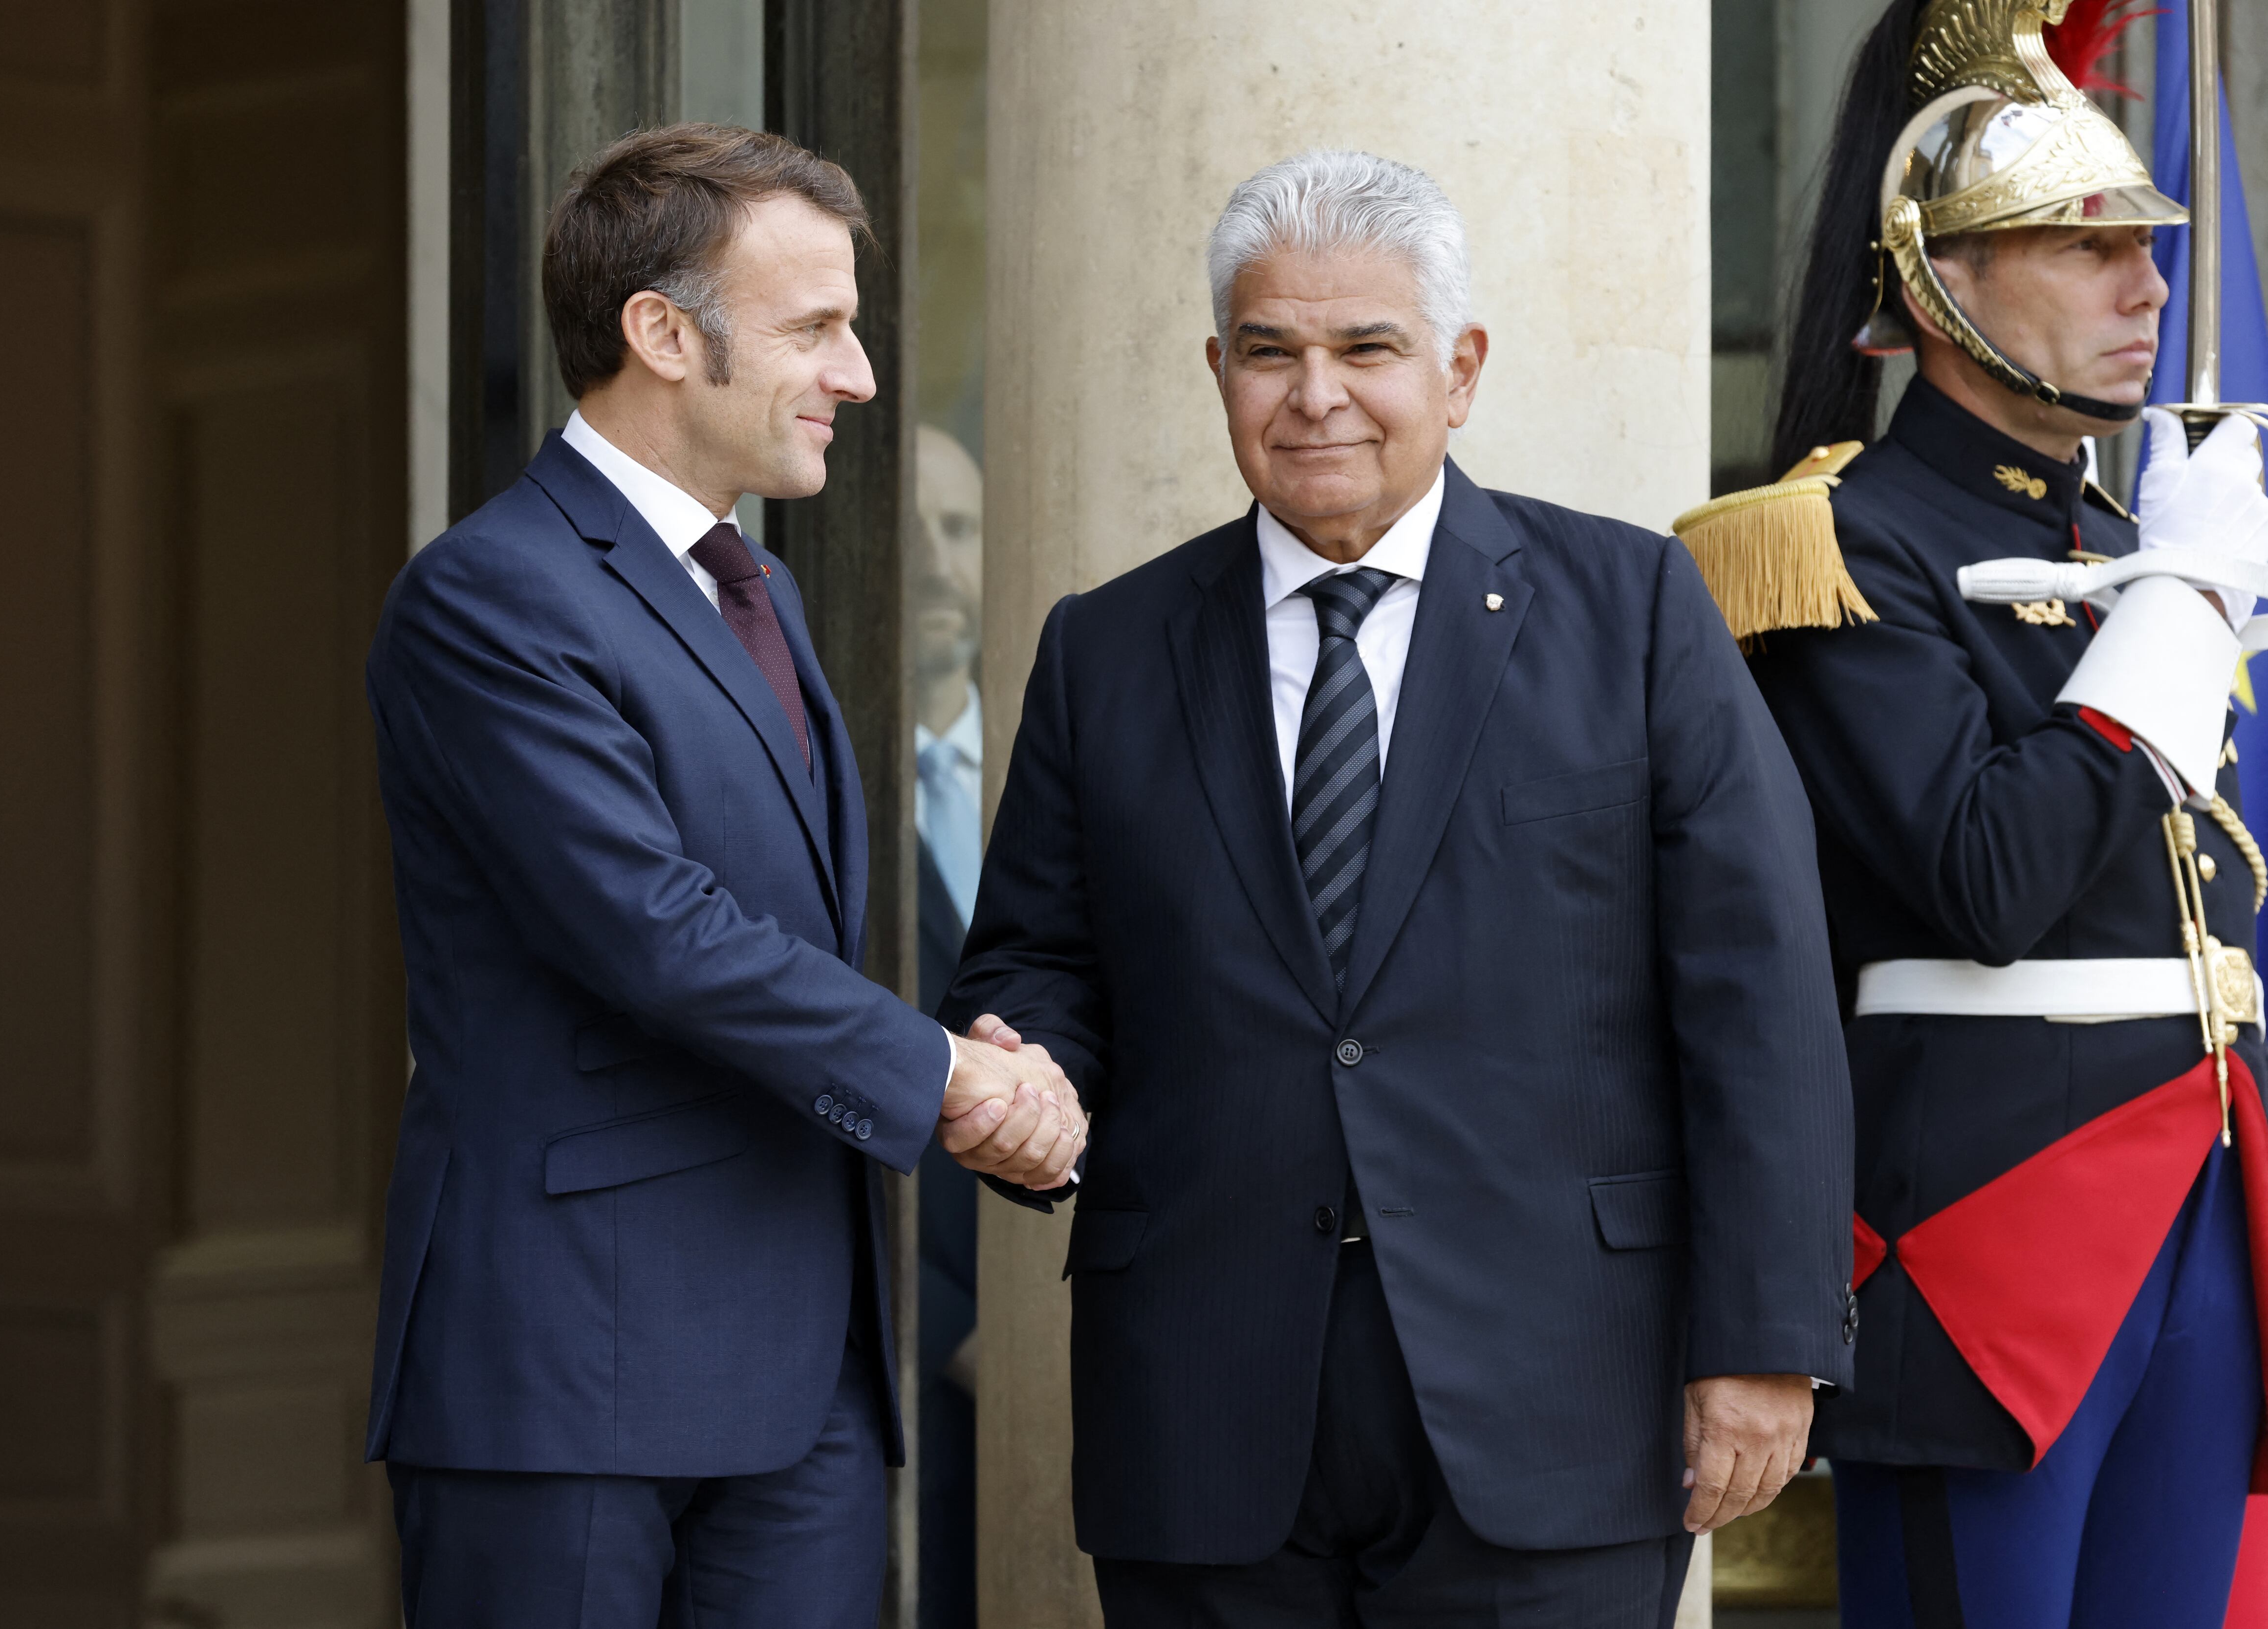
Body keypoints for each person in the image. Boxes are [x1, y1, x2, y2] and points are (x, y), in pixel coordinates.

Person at [941, 148, 1856, 1626]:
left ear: (1461, 368)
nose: (1316, 395)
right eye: (1269, 351)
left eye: (1367, 347)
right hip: (1206, 1397)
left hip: (1559, 1391)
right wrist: (1018, 1064)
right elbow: (1038, 959)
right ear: (1217, 369)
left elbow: (1758, 995)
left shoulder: (1632, 610)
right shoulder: (1106, 647)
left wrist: (1766, 1341)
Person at [359, 124, 1084, 1629]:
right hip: (569, 1372)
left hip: (801, 1377)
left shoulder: (763, 589)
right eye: (818, 327)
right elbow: (653, 927)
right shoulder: (490, 595)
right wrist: (952, 1071)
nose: (862, 374)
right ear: (662, 334)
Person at [1707, 2, 2268, 1623]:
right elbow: (1991, 877)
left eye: (2146, 249)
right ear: (1943, 283)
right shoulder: (1837, 542)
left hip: (2205, 1194)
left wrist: (2163, 577)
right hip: (1990, 1234)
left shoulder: (2133, 539)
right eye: (2083, 250)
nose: (2146, 290)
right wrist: (2183, 606)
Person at [911, 422, 987, 1629]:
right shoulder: (822, 782)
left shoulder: (1061, 759)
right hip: (907, 1370)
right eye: (913, 525)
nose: (933, 560)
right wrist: (955, 1328)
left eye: (961, 526)